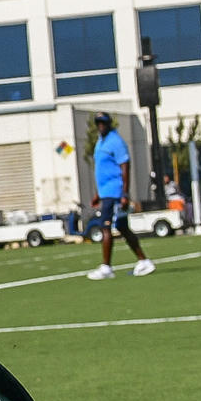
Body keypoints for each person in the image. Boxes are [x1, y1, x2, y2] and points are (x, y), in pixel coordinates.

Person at [86, 113, 154, 280]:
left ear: (109, 124)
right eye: (98, 123)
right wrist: (97, 194)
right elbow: (102, 170)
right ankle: (144, 261)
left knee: (105, 227)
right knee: (122, 227)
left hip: (114, 192)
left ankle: (106, 267)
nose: (100, 125)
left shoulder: (116, 141)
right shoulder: (100, 142)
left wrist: (125, 193)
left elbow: (125, 167)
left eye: (103, 122)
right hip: (106, 192)